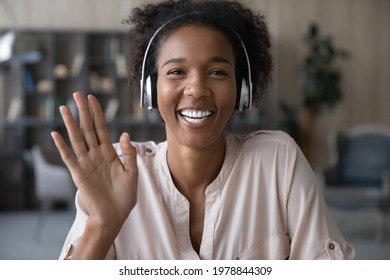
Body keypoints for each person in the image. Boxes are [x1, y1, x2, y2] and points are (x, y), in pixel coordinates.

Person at [53, 0, 355, 260]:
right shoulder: (117, 171)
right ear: (150, 90)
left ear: (243, 90)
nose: (196, 89)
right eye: (176, 72)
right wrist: (103, 224)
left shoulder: (278, 161)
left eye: (217, 72)